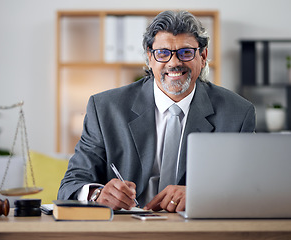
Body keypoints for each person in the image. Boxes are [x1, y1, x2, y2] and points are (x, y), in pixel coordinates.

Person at [57, 10, 256, 212]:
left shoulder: (237, 113)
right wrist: (97, 195)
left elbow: (251, 188)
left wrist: (201, 193)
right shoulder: (105, 108)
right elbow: (71, 184)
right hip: (126, 228)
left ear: (203, 56)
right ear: (149, 59)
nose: (174, 63)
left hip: (195, 229)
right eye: (162, 53)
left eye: (186, 52)